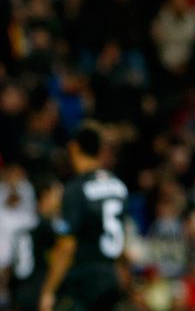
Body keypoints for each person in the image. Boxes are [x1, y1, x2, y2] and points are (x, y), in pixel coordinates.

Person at [39, 121, 128, 311]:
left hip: (83, 282)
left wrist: (48, 292)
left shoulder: (75, 189)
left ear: (74, 147)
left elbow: (66, 247)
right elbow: (123, 239)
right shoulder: (119, 187)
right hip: (111, 277)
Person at [9, 177, 62, 311]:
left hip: (21, 295)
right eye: (57, 194)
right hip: (41, 296)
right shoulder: (49, 229)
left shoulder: (24, 223)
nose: (61, 199)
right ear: (46, 196)